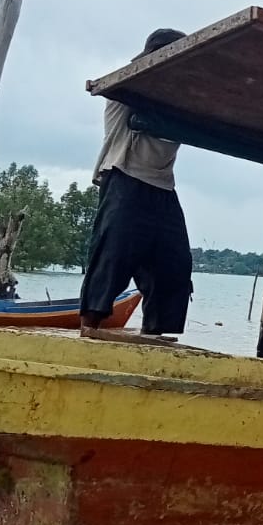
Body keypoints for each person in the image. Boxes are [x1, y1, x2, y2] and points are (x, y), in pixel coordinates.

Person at [79, 28, 193, 337]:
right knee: (111, 261)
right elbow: (137, 76)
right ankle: (87, 334)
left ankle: (154, 339)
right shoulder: (128, 88)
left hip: (164, 188)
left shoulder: (185, 98)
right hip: (124, 179)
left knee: (175, 267)